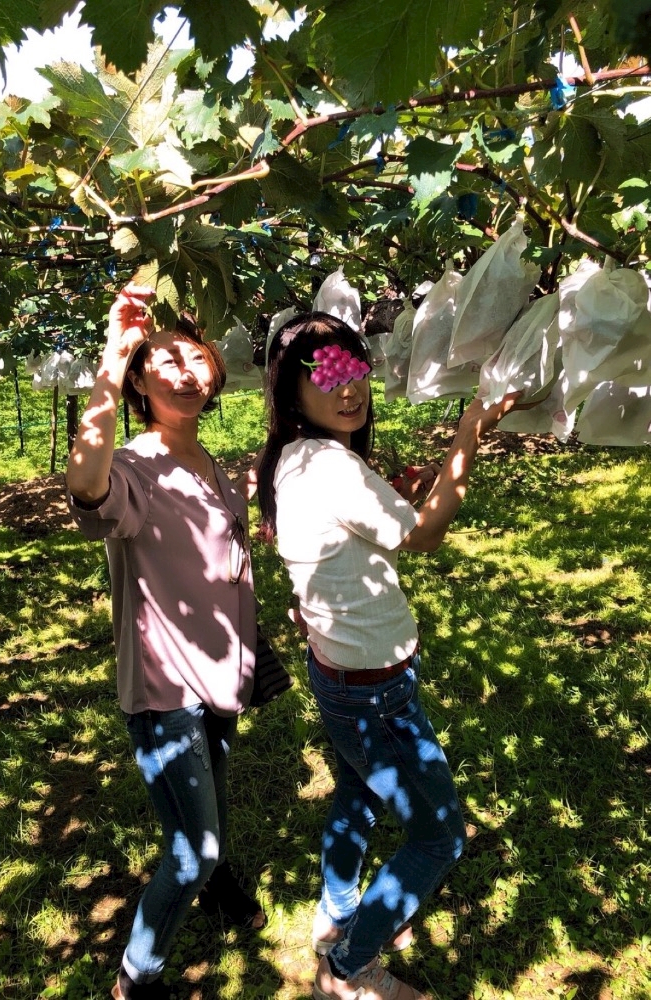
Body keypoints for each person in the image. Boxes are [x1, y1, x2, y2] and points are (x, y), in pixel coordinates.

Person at [257, 312, 525, 1000]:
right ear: (292, 392)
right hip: (374, 689)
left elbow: (338, 538)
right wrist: (470, 432)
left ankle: (337, 916)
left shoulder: (294, 457)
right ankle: (349, 968)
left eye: (354, 368)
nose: (348, 388)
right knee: (440, 836)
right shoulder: (331, 465)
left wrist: (397, 495)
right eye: (325, 374)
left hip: (340, 672)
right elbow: (426, 536)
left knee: (358, 792)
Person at [66, 284, 264, 1000]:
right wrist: (112, 354)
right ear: (140, 384)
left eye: (197, 358)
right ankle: (136, 977)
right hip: (164, 690)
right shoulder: (134, 467)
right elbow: (86, 483)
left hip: (220, 675)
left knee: (213, 804)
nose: (185, 371)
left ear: (216, 373)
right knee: (192, 848)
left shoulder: (208, 461)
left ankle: (218, 886)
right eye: (166, 361)